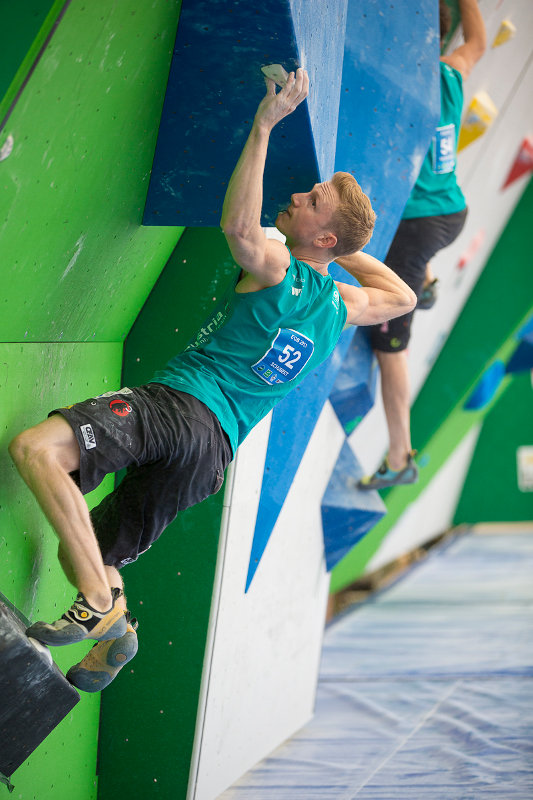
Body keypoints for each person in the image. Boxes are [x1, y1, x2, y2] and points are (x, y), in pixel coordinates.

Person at [9, 68, 415, 691]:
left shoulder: (283, 266)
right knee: (86, 547)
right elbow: (403, 297)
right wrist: (336, 247)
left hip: (180, 408)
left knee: (36, 450)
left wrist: (263, 127)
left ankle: (95, 603)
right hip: (212, 458)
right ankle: (117, 629)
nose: (299, 197)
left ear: (323, 236)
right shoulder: (342, 304)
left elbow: (240, 230)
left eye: (311, 202)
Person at [358, 0, 487, 491]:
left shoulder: (400, 85)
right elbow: (475, 42)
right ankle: (427, 284)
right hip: (452, 209)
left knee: (390, 344)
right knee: (414, 261)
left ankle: (399, 455)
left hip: (418, 229)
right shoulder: (449, 73)